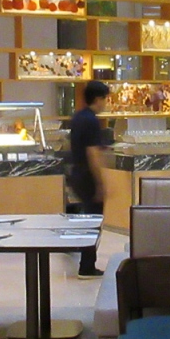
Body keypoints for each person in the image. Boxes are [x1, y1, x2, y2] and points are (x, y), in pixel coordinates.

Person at [69, 80, 110, 279]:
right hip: (87, 176)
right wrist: (100, 183)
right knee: (93, 221)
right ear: (98, 99)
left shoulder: (78, 116)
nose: (106, 103)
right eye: (105, 99)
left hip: (77, 173)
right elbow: (92, 153)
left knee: (86, 219)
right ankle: (86, 266)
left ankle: (82, 259)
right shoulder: (92, 121)